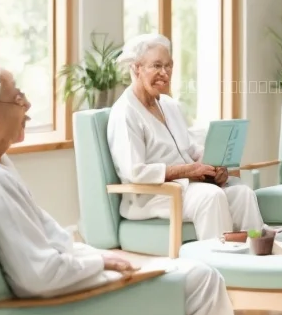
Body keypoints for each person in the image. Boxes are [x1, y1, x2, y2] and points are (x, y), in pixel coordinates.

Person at [0, 59, 244, 315]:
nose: (27, 105)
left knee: (179, 262)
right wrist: (101, 261)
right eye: (17, 97)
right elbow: (39, 277)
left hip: (63, 274)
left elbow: (38, 241)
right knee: (203, 278)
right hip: (67, 306)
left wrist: (89, 254)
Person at [106, 33, 264, 240]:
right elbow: (135, 172)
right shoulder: (125, 113)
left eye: (168, 66)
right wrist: (189, 170)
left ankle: (258, 257)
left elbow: (190, 149)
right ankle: (219, 262)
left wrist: (215, 167)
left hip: (188, 186)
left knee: (242, 193)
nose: (164, 73)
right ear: (136, 68)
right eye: (156, 66)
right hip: (154, 194)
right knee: (211, 196)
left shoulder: (169, 105)